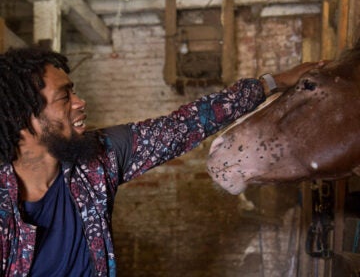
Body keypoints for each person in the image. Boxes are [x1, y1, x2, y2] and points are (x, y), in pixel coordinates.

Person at [0, 47, 320, 276]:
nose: (80, 102)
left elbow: (185, 125)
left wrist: (271, 83)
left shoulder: (98, 160)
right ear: (22, 116)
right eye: (64, 97)